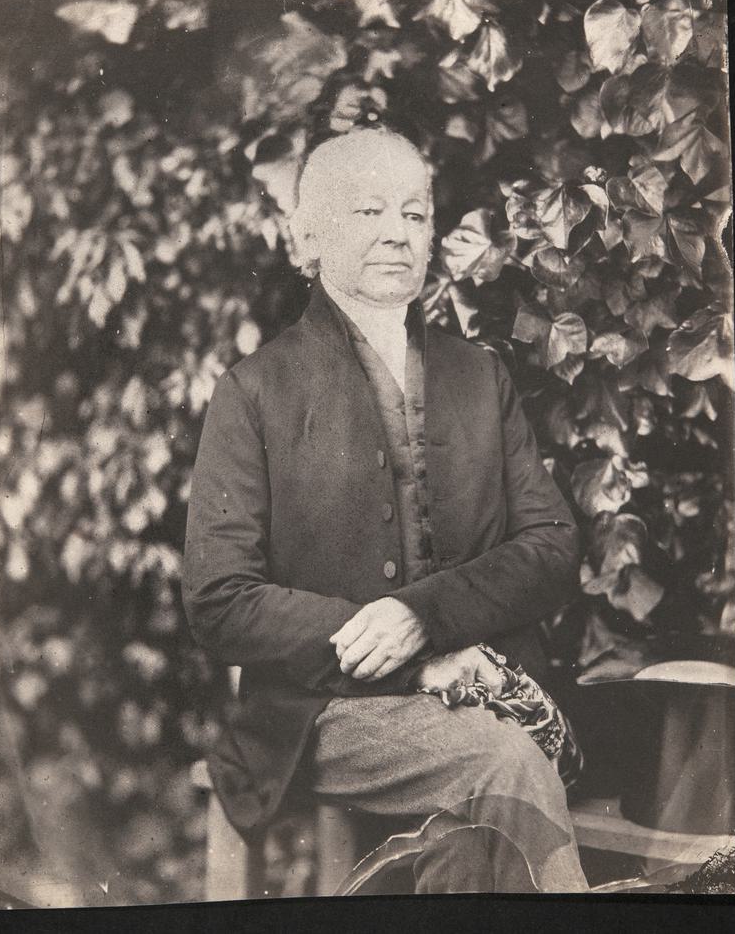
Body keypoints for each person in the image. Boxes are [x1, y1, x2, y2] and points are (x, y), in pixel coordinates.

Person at [182, 126, 589, 893]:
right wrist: (407, 651)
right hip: (322, 709)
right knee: (501, 767)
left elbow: (554, 544)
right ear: (311, 234)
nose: (398, 234)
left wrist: (425, 614)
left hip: (492, 690)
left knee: (509, 771)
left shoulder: (479, 377)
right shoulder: (255, 390)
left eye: (414, 213)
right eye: (370, 212)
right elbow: (218, 602)